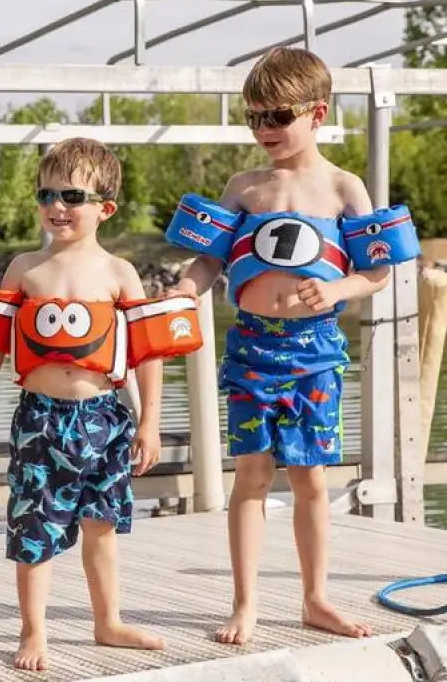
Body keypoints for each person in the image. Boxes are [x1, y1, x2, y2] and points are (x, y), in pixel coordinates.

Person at [168, 47, 398, 645]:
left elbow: (377, 273)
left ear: (316, 112)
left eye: (277, 116)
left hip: (314, 349)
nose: (264, 129)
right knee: (250, 474)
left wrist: (338, 287)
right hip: (250, 347)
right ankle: (245, 603)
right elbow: (209, 259)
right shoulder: (244, 186)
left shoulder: (346, 188)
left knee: (310, 479)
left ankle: (315, 599)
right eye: (254, 117)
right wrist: (179, 295)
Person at [0, 138, 172, 672]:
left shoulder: (120, 274)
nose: (56, 206)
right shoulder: (25, 269)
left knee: (102, 523)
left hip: (105, 418)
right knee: (33, 527)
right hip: (40, 418)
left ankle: (107, 621)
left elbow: (148, 352)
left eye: (72, 195)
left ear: (104, 208)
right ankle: (33, 630)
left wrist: (150, 423)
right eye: (46, 194)